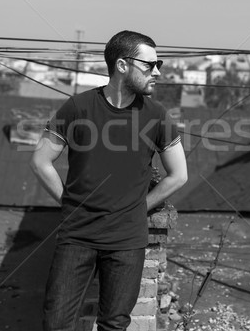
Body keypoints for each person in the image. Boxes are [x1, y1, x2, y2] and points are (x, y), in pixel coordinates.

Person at [30, 30, 188, 331]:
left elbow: (179, 175)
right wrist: (70, 204)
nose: (157, 72)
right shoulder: (78, 107)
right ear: (122, 65)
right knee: (56, 323)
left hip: (127, 240)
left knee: (114, 324)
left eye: (159, 64)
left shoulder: (156, 114)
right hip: (77, 236)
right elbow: (40, 161)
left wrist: (138, 207)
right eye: (150, 65)